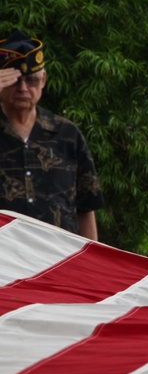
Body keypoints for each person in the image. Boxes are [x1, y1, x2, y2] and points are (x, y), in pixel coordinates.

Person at [0, 29, 104, 239]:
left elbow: (86, 206)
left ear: (44, 80)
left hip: (56, 261)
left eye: (32, 80)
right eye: (14, 80)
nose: (23, 88)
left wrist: (89, 262)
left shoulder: (66, 134)